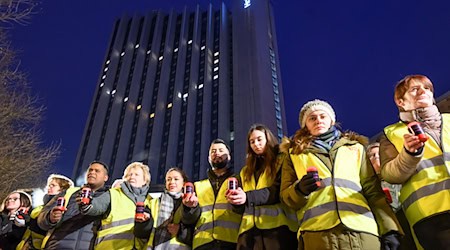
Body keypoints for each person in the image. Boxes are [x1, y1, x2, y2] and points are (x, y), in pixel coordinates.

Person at [280, 99, 403, 250]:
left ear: (332, 120)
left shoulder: (356, 148)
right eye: (312, 118)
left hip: (363, 231)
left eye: (322, 116)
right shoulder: (294, 155)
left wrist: (389, 229)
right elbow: (286, 198)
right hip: (318, 234)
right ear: (306, 125)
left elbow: (374, 193)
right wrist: (299, 190)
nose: (318, 120)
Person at [379, 74, 450, 250]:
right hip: (431, 216)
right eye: (415, 89)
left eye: (427, 88)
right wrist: (409, 154)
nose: (423, 91)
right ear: (400, 101)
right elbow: (390, 174)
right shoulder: (391, 134)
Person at [227, 124, 298, 250]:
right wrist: (236, 202)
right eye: (252, 141)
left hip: (277, 230)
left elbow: (278, 190)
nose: (256, 144)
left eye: (259, 139)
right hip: (249, 233)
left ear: (268, 139)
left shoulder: (281, 160)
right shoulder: (245, 171)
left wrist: (247, 197)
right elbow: (242, 205)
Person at [182, 139, 242, 250]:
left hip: (232, 242)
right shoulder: (198, 186)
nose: (217, 153)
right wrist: (189, 208)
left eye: (220, 150)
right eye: (213, 151)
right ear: (209, 158)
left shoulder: (239, 181)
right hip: (202, 243)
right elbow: (188, 220)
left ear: (229, 156)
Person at [79, 161, 152, 250]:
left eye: (136, 174)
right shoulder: (114, 193)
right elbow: (96, 206)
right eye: (129, 174)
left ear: (145, 180)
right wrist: (87, 204)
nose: (132, 177)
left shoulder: (151, 200)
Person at [37, 161, 109, 250]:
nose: (92, 172)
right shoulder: (69, 192)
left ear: (105, 177)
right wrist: (50, 217)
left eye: (97, 171)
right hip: (57, 246)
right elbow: (41, 218)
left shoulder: (110, 197)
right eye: (90, 170)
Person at [136, 167, 193, 249]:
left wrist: (180, 231)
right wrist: (144, 223)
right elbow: (143, 232)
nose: (172, 182)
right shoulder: (153, 202)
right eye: (168, 179)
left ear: (184, 183)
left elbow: (195, 228)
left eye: (176, 179)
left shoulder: (190, 202)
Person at [17, 174, 74, 250]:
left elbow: (46, 227)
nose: (49, 187)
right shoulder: (41, 206)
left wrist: (28, 221)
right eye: (49, 185)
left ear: (62, 189)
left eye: (53, 185)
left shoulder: (61, 206)